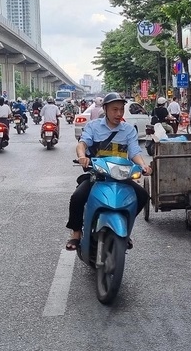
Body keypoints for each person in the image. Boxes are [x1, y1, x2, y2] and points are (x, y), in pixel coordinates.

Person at [65, 92, 152, 251]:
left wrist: (143, 166)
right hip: (97, 176)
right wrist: (82, 156)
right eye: (114, 109)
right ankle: (76, 233)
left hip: (120, 176)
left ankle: (125, 230)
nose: (119, 114)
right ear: (105, 109)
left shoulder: (128, 130)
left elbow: (134, 152)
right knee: (77, 197)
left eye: (121, 109)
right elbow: (82, 144)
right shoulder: (93, 126)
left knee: (142, 196)